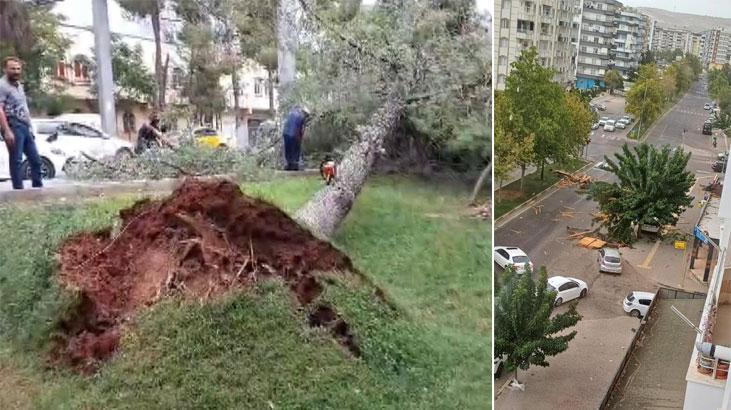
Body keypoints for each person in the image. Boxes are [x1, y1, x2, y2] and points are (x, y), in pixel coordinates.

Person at [0, 56, 43, 190]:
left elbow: (24, 108)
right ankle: (18, 191)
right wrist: (6, 130)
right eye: (12, 69)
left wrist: (30, 127)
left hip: (24, 126)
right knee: (16, 160)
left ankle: (38, 189)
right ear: (5, 69)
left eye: (18, 69)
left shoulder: (19, 85)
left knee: (36, 160)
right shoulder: (2, 85)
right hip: (12, 125)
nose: (16, 71)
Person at [282, 106, 311, 171]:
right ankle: (295, 165)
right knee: (296, 150)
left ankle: (289, 165)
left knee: (288, 150)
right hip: (294, 135)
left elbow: (286, 124)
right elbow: (301, 130)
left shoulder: (292, 113)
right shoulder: (302, 117)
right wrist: (300, 138)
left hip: (286, 134)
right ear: (305, 113)